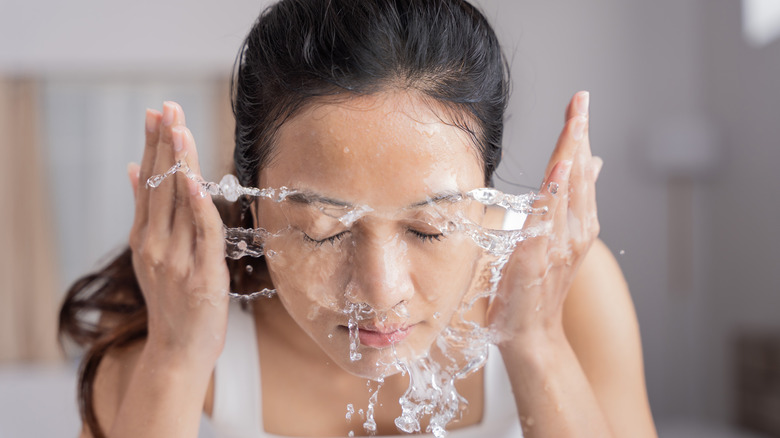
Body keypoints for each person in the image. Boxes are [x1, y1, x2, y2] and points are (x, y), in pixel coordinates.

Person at [59, 0, 657, 437]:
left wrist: (536, 340)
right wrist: (176, 355)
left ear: (485, 194)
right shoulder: (166, 330)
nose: (380, 292)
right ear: (255, 198)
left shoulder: (567, 287)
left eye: (429, 229)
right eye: (325, 230)